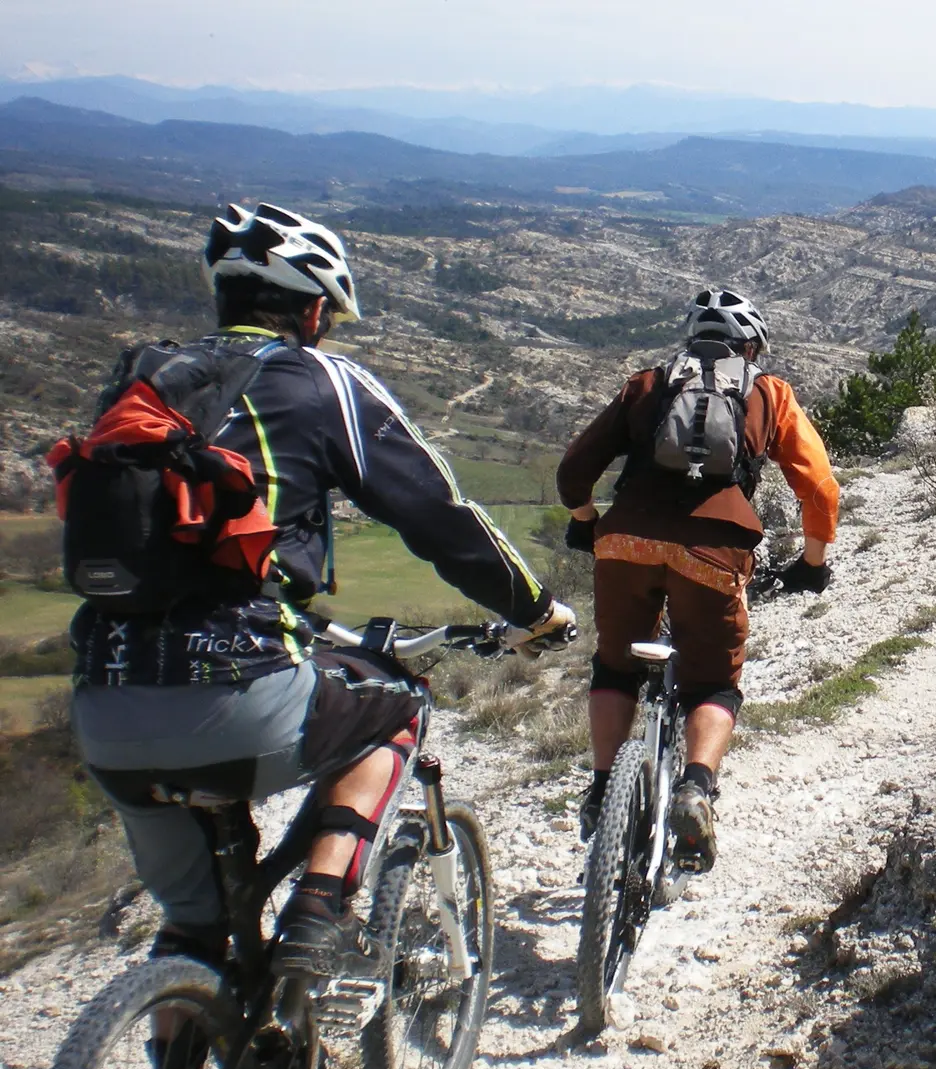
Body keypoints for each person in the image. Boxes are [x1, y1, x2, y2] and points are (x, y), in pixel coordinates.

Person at [65, 203, 575, 981]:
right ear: (313, 308)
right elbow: (438, 517)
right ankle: (317, 917)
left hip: (103, 703)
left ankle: (181, 1028)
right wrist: (535, 611)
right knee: (398, 709)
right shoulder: (321, 381)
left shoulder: (139, 385)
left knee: (194, 932)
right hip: (242, 691)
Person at [557, 287, 838, 871]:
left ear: (692, 339)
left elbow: (574, 470)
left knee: (614, 666)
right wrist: (813, 561)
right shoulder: (769, 392)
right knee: (712, 682)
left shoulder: (648, 383)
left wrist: (587, 523)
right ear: (752, 345)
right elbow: (818, 487)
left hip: (626, 543)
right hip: (714, 551)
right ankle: (696, 788)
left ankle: (605, 785)